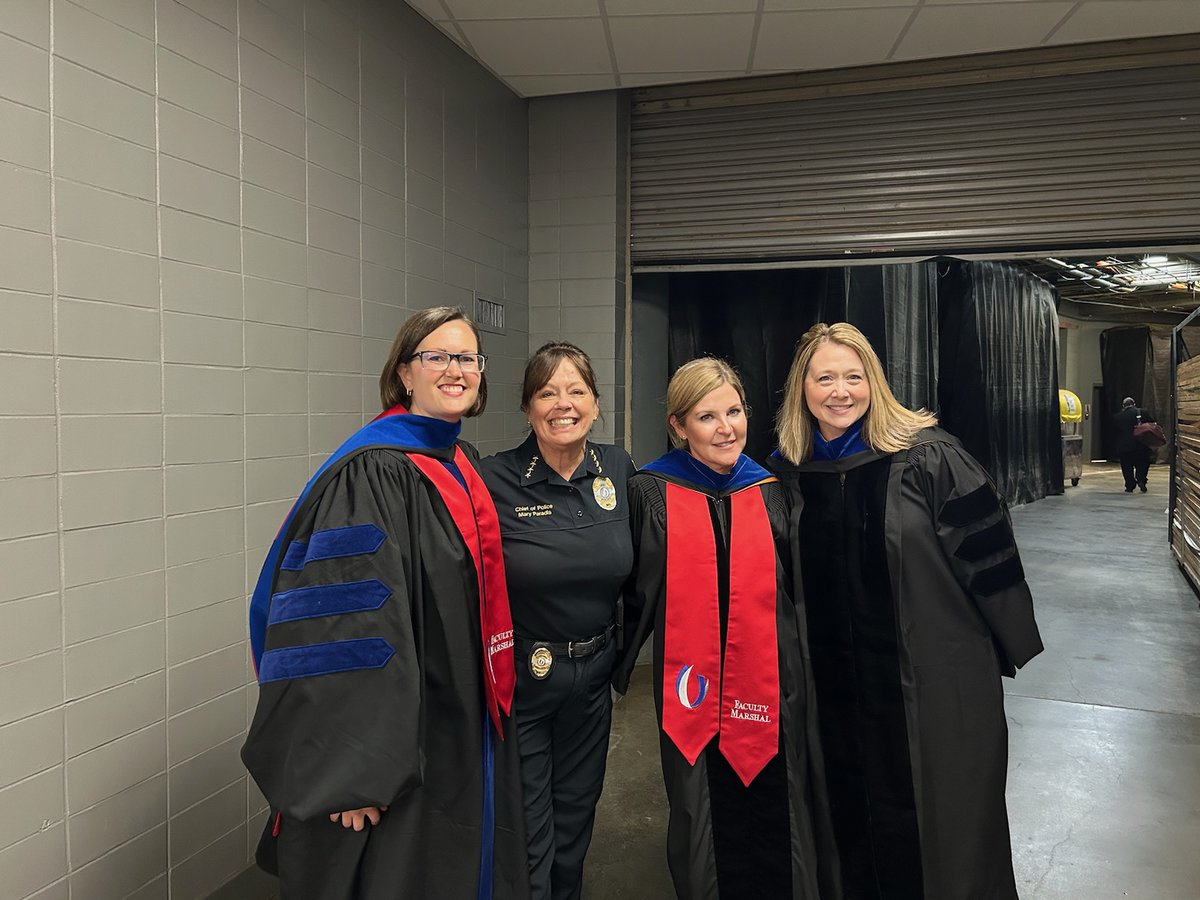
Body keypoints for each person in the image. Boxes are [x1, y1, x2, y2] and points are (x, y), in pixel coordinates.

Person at [241, 307, 529, 900]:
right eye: (438, 357)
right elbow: (347, 628)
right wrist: (355, 772)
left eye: (468, 358)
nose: (456, 369)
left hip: (458, 718)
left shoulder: (461, 462)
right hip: (399, 748)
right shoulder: (372, 473)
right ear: (404, 373)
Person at [769, 322, 1044, 900]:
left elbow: (989, 555)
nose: (840, 391)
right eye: (824, 378)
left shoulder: (929, 457)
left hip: (930, 683)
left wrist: (1001, 642)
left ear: (876, 382)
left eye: (854, 375)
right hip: (832, 689)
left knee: (946, 824)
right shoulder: (789, 474)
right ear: (802, 389)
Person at [613, 357, 836, 900]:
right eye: (707, 416)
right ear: (678, 425)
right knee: (699, 799)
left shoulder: (770, 488)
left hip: (771, 680)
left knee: (781, 792)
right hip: (692, 687)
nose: (725, 428)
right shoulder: (652, 492)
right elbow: (633, 589)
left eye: (734, 412)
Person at [479, 342, 636, 900]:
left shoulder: (618, 469)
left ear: (595, 404)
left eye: (576, 391)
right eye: (547, 392)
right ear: (527, 408)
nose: (562, 404)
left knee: (576, 815)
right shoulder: (492, 478)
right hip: (524, 679)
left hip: (592, 677)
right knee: (528, 823)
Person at [1113, 396, 1152, 492]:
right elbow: (1152, 425)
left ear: (1123, 406)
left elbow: (1113, 433)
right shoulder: (1142, 413)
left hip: (1124, 447)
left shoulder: (1117, 417)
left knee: (1126, 467)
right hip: (1141, 444)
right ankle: (1141, 480)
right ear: (1134, 404)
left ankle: (1130, 485)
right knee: (1142, 463)